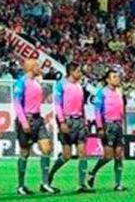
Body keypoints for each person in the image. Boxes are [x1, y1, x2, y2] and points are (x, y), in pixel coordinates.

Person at [13, 59, 57, 194]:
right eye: (37, 65)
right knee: (25, 152)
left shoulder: (36, 82)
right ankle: (21, 186)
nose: (39, 67)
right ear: (30, 67)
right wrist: (23, 121)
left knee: (47, 148)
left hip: (39, 119)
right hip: (27, 119)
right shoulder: (21, 82)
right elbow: (17, 103)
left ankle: (45, 183)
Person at [48, 63, 92, 192]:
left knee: (82, 153)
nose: (80, 74)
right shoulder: (61, 85)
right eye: (78, 71)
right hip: (67, 121)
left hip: (79, 121)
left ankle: (82, 184)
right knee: (66, 155)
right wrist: (62, 122)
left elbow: (82, 106)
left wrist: (85, 122)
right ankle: (50, 175)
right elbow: (57, 105)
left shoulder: (80, 86)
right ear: (71, 72)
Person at [89, 70, 127, 192]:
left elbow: (122, 109)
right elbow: (97, 111)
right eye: (114, 77)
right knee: (108, 156)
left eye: (117, 76)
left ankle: (118, 183)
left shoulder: (120, 91)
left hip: (118, 125)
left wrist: (123, 124)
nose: (117, 79)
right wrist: (99, 127)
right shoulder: (102, 92)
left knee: (119, 155)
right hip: (108, 125)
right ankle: (93, 172)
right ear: (108, 80)